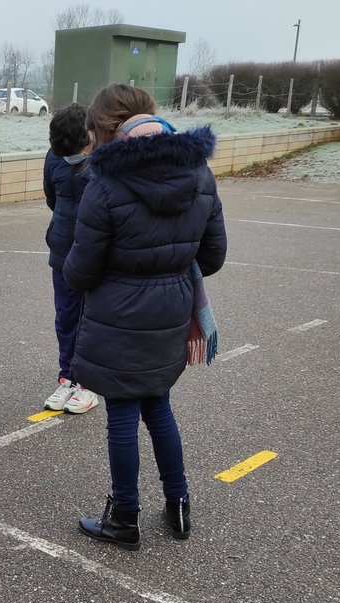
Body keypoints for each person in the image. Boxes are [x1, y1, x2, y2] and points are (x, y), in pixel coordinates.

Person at [64, 83, 226, 549]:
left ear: (104, 129)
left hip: (118, 311)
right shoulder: (198, 170)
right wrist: (171, 266)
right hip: (174, 307)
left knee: (121, 416)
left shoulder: (106, 183)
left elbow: (81, 269)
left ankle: (125, 517)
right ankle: (178, 505)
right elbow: (213, 255)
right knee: (158, 406)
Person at [42, 103, 97, 415]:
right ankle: (68, 378)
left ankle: (89, 385)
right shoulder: (54, 157)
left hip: (95, 253)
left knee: (91, 319)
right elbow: (52, 196)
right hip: (63, 250)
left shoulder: (104, 160)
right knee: (65, 318)